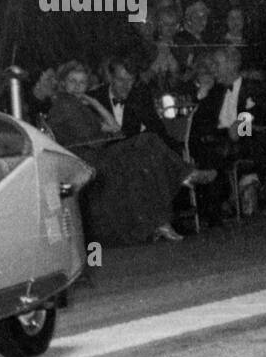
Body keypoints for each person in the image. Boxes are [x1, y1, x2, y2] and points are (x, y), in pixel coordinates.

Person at [49, 61, 213, 244]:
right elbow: (95, 140)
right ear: (63, 83)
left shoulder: (80, 105)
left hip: (98, 154)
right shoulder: (65, 104)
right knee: (147, 141)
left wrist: (94, 103)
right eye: (73, 81)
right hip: (87, 161)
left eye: (82, 82)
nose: (78, 86)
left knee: (146, 157)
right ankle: (183, 175)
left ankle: (161, 221)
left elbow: (114, 128)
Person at [189, 46, 266, 221]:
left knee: (249, 136)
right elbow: (200, 125)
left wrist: (242, 120)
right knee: (204, 149)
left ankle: (248, 185)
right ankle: (240, 192)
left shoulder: (253, 86)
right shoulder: (214, 91)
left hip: (243, 137)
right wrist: (202, 95)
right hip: (219, 142)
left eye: (217, 64)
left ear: (232, 65)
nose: (212, 69)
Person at [92, 55, 173, 151]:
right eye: (121, 80)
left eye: (130, 80)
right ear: (111, 77)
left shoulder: (139, 97)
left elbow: (158, 130)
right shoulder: (95, 98)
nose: (126, 86)